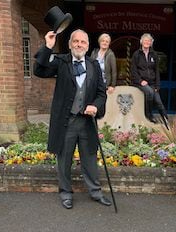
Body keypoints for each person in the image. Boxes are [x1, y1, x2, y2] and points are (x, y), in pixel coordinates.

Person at [34, 29, 111, 210]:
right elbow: (39, 70)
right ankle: (66, 193)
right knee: (64, 160)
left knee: (90, 159)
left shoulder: (93, 65)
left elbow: (101, 93)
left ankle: (95, 192)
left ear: (87, 45)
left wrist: (96, 106)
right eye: (75, 41)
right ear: (70, 44)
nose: (79, 44)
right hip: (66, 122)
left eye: (83, 42)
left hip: (86, 123)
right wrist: (48, 46)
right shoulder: (61, 61)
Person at [131, 33, 168, 124]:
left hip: (152, 83)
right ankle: (149, 116)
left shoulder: (154, 54)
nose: (147, 42)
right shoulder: (136, 54)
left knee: (158, 101)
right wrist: (140, 81)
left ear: (151, 43)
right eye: (145, 40)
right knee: (149, 92)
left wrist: (157, 85)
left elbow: (156, 71)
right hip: (140, 82)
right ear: (141, 42)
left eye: (149, 41)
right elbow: (133, 71)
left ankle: (166, 120)